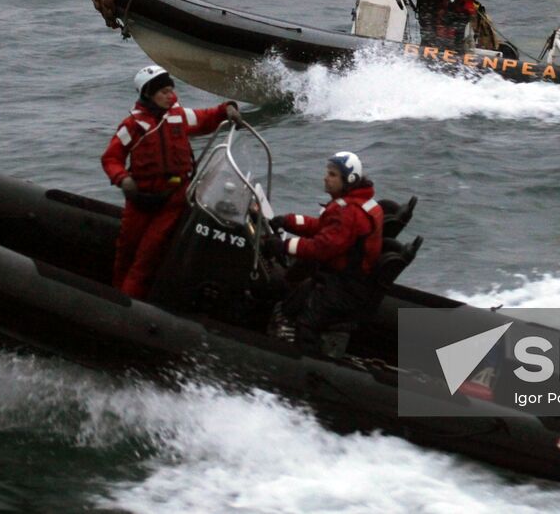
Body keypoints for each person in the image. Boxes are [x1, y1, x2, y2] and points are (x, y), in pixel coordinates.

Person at [101, 65, 242, 299]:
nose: (170, 96)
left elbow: (206, 118)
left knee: (147, 256)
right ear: (148, 93)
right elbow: (111, 158)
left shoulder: (178, 116)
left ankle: (129, 303)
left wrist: (227, 108)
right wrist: (122, 179)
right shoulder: (133, 126)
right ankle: (118, 294)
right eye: (163, 92)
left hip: (172, 200)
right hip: (140, 200)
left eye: (170, 90)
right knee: (126, 251)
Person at [267, 151, 384, 347]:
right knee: (290, 299)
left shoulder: (350, 213)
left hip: (343, 286)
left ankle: (307, 363)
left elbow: (322, 247)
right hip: (343, 279)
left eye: (332, 174)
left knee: (306, 324)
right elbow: (323, 227)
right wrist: (288, 221)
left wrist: (283, 246)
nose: (325, 177)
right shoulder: (352, 204)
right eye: (327, 172)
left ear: (348, 180)